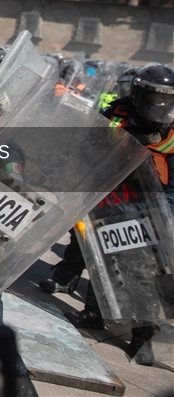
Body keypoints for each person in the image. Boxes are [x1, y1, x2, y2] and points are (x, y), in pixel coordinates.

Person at [47, 64, 173, 366]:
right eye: (153, 97)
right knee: (101, 258)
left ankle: (142, 334)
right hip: (107, 196)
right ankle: (94, 313)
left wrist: (164, 216)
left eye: (165, 98)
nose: (158, 104)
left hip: (148, 206)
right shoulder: (115, 115)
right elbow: (87, 151)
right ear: (138, 93)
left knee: (143, 271)